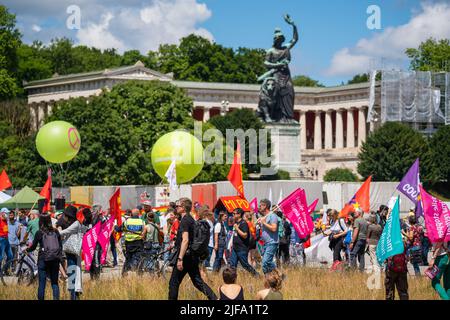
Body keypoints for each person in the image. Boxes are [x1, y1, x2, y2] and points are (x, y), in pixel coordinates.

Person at [168, 198, 217, 300]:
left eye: (178, 206)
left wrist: (180, 259)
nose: (176, 208)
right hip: (192, 256)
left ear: (184, 208)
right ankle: (214, 299)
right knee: (197, 281)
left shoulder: (185, 220)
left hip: (185, 257)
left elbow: (185, 240)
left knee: (174, 282)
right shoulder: (190, 219)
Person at [26, 213, 62, 300]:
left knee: (42, 284)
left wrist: (27, 250)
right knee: (55, 283)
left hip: (43, 259)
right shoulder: (56, 231)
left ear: (40, 221)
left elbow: (33, 246)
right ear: (50, 220)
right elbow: (60, 246)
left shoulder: (39, 232)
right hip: (54, 259)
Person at [59, 205, 89, 300]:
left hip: (72, 252)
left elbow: (65, 232)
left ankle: (73, 296)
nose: (64, 217)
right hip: (75, 252)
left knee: (72, 273)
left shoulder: (76, 224)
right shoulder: (79, 224)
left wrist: (54, 231)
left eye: (65, 215)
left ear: (68, 216)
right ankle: (75, 295)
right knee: (75, 273)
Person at [229, 208, 259, 276]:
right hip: (235, 248)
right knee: (232, 265)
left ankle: (256, 275)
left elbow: (245, 235)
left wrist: (237, 229)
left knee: (245, 265)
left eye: (234, 213)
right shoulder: (236, 223)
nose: (232, 215)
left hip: (241, 248)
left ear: (239, 214)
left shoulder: (243, 223)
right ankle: (231, 280)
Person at [115, 208, 145, 275]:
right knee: (139, 258)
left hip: (128, 243)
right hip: (138, 242)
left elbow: (119, 229)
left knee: (128, 257)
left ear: (131, 214)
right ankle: (139, 272)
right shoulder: (142, 222)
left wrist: (116, 227)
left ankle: (124, 272)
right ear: (139, 214)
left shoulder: (127, 222)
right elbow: (144, 232)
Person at [257, 199, 279, 274]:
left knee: (265, 263)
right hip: (265, 243)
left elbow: (274, 228)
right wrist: (260, 224)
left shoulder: (273, 216)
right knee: (267, 262)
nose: (259, 207)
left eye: (261, 205)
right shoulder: (264, 216)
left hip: (272, 242)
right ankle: (279, 275)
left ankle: (268, 280)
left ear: (265, 206)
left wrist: (264, 223)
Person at [0, 208, 14, 274]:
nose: (8, 214)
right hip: (1, 239)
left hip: (6, 239)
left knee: (10, 255)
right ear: (2, 213)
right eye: (6, 213)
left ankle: (6, 270)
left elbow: (5, 230)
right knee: (1, 256)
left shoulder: (5, 220)